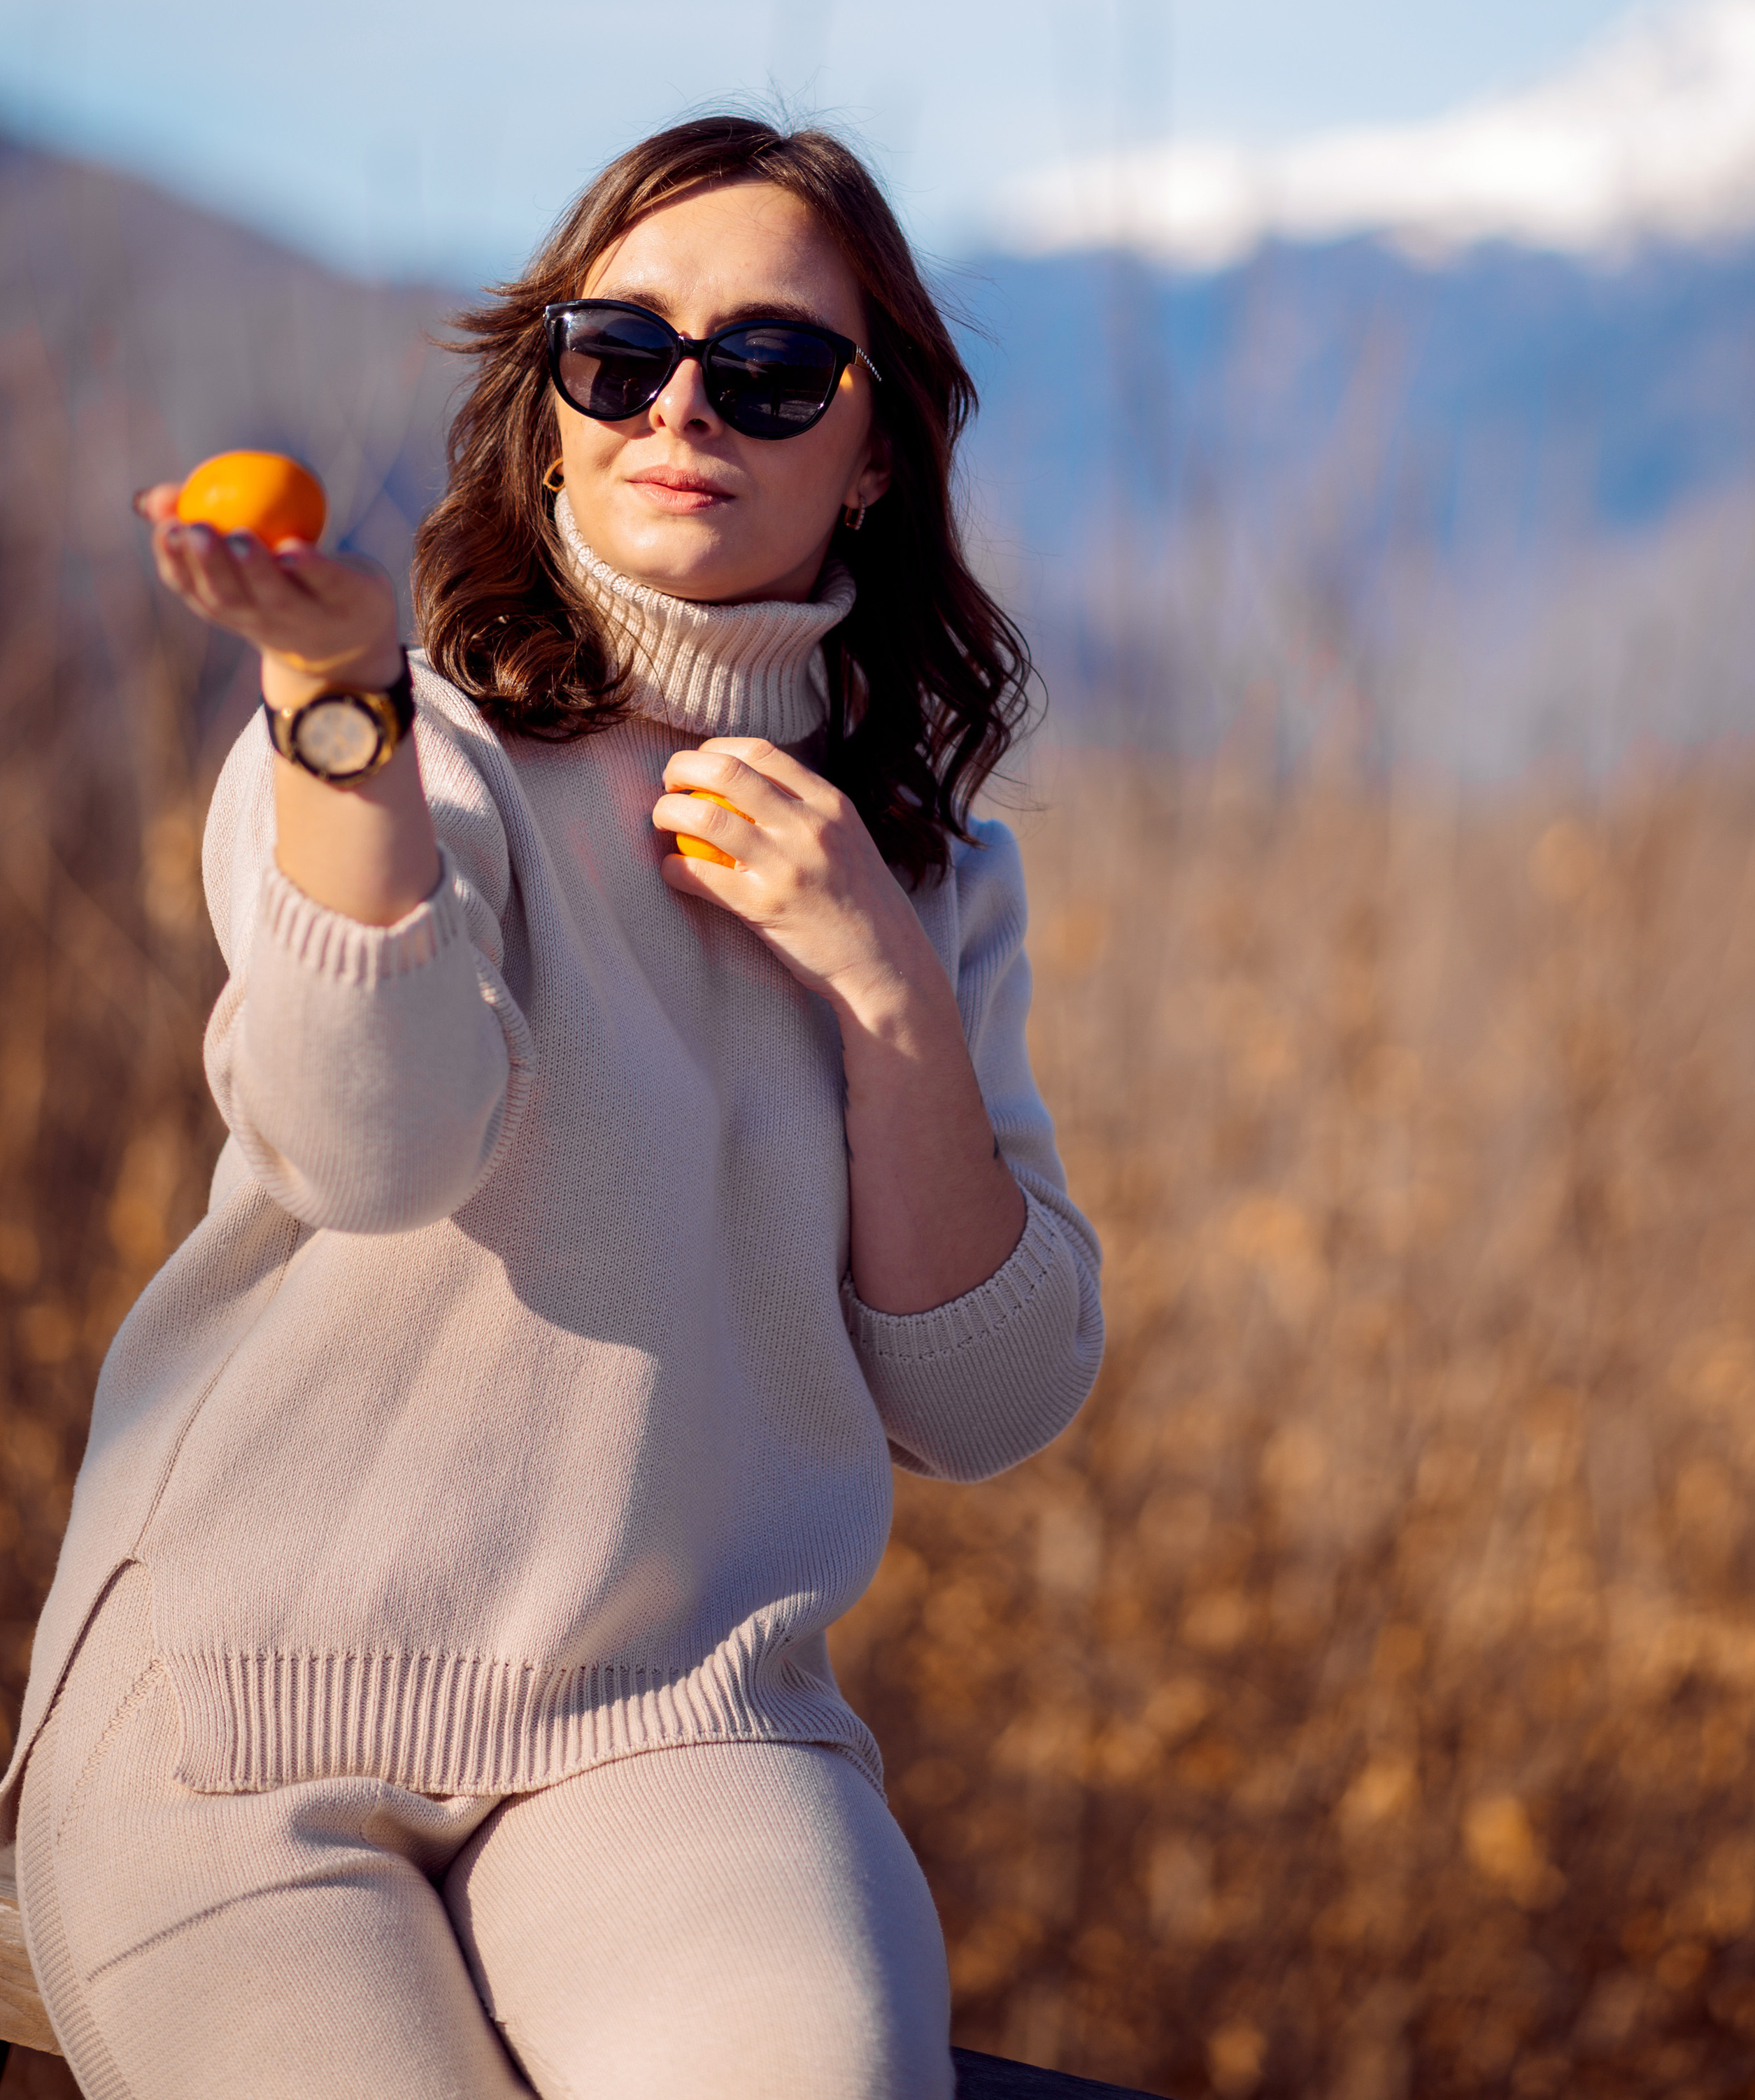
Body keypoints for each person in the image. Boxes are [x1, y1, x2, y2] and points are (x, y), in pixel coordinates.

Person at [2, 118, 1103, 2100]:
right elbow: (373, 1149)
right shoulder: (391, 757)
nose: (687, 404)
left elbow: (987, 1399)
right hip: (242, 1727)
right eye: (623, 351)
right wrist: (337, 697)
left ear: (874, 454)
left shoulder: (930, 879)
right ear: (555, 409)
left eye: (771, 370)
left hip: (682, 1727)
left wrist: (881, 982)